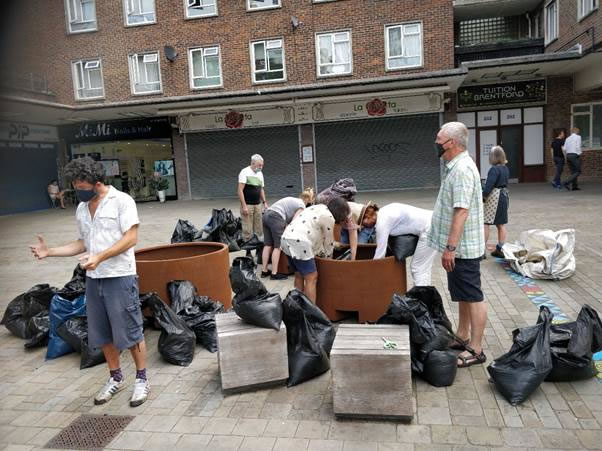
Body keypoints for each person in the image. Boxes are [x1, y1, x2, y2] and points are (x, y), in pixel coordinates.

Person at [30, 157, 149, 407]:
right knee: (102, 332)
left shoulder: (122, 201)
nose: (78, 190)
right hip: (94, 279)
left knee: (130, 330)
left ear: (96, 182)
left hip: (120, 276)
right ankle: (115, 377)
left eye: (81, 186)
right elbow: (82, 243)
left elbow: (131, 238)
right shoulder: (82, 209)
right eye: (74, 185)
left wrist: (101, 256)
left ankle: (141, 380)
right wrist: (49, 251)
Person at [428, 122, 487, 368]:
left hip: (462, 248)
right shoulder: (455, 166)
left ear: (450, 143)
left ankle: (476, 348)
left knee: (473, 296)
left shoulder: (462, 169)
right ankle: (462, 335)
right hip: (458, 248)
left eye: (439, 139)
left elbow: (461, 212)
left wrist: (450, 248)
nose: (436, 143)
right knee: (463, 294)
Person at [280, 198, 350, 303]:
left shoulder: (318, 207)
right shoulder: (329, 217)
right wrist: (329, 262)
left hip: (286, 238)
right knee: (311, 277)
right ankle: (311, 313)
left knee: (299, 274)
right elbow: (328, 244)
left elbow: (315, 232)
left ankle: (297, 306)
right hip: (300, 242)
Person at [370, 203, 437, 286]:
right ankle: (427, 295)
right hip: (433, 223)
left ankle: (422, 297)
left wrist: (369, 273)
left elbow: (380, 255)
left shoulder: (382, 221)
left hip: (429, 229)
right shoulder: (384, 211)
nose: (363, 226)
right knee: (424, 268)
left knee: (418, 268)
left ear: (369, 216)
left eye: (362, 222)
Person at [260, 188, 315, 280]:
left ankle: (264, 271)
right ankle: (274, 273)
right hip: (276, 217)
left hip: (266, 215)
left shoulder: (294, 200)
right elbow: (293, 223)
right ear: (310, 200)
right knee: (278, 247)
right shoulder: (301, 206)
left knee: (268, 245)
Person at [238, 154, 267, 258]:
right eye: (259, 165)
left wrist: (265, 202)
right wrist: (244, 206)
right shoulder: (244, 172)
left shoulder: (260, 174)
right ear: (253, 163)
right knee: (247, 229)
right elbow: (240, 190)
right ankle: (248, 252)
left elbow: (261, 189)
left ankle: (259, 252)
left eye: (262, 165)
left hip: (257, 205)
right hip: (248, 205)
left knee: (259, 229)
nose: (261, 167)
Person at [483, 146, 510, 259]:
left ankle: (481, 251)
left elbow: (489, 185)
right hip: (504, 196)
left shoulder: (494, 169)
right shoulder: (505, 168)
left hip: (494, 197)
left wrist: (483, 196)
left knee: (485, 223)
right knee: (501, 224)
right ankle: (500, 248)